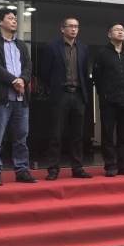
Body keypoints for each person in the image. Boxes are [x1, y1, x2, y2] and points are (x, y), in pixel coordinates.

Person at [0, 7, 37, 186]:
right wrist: (14, 81)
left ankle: (22, 170)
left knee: (21, 137)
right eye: (11, 18)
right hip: (1, 99)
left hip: (21, 100)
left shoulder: (21, 44)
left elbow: (28, 65)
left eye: (15, 18)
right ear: (0, 22)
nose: (15, 21)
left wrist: (23, 80)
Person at [39, 18, 93, 180]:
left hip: (78, 95)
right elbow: (44, 73)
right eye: (70, 26)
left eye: (76, 26)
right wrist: (54, 88)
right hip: (60, 94)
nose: (74, 29)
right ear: (62, 29)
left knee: (78, 135)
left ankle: (77, 168)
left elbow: (84, 72)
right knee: (56, 134)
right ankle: (53, 169)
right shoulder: (52, 47)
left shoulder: (83, 48)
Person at [92, 23, 124, 177]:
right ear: (109, 34)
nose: (120, 32)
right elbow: (97, 77)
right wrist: (104, 93)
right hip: (108, 100)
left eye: (122, 30)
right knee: (107, 134)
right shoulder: (102, 53)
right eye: (117, 30)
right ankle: (110, 165)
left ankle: (123, 165)